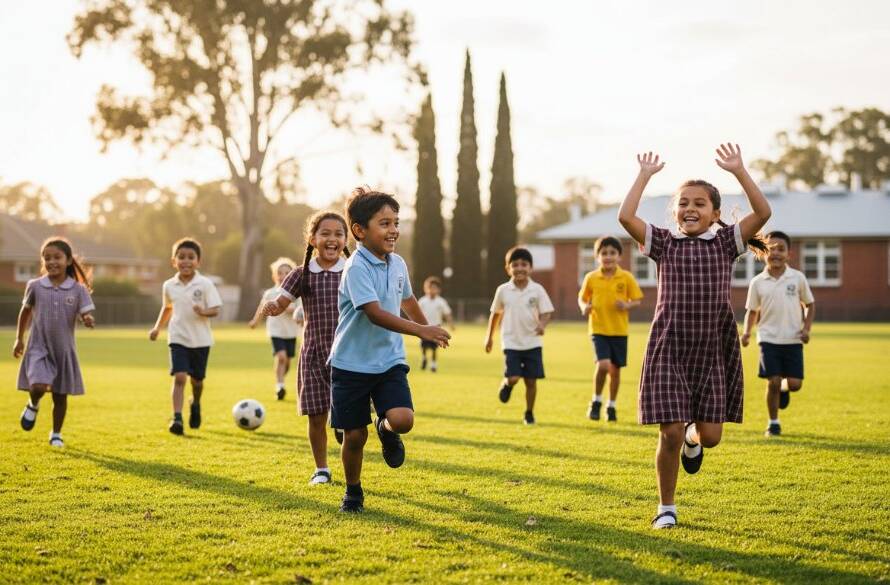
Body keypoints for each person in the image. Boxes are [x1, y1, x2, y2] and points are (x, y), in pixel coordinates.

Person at [618, 144, 771, 529]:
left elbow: (764, 213)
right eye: (684, 203)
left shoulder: (724, 244)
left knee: (712, 437)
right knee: (668, 432)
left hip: (712, 351)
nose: (691, 208)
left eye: (700, 203)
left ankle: (694, 440)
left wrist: (739, 170)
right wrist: (644, 176)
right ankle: (666, 508)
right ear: (675, 212)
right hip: (669, 349)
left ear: (715, 214)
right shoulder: (664, 244)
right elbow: (625, 216)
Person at [329, 186, 451, 512]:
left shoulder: (397, 263)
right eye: (384, 223)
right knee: (354, 437)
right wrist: (421, 330)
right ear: (359, 230)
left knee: (403, 419)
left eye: (396, 222)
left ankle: (384, 428)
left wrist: (428, 333)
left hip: (388, 361)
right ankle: (353, 492)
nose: (394, 230)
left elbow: (407, 299)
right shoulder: (355, 268)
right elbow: (376, 313)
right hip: (351, 364)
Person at [263, 212, 351, 485]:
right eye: (325, 233)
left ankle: (340, 423)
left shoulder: (352, 270)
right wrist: (274, 308)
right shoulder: (302, 274)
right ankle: (321, 469)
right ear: (312, 239)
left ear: (346, 239)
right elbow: (281, 301)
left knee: (348, 417)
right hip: (313, 353)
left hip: (348, 354)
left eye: (338, 233)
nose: (332, 239)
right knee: (315, 416)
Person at [15, 237, 95, 447]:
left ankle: (56, 433)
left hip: (64, 350)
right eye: (47, 258)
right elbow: (25, 312)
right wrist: (19, 339)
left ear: (68, 260)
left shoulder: (78, 290)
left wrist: (87, 319)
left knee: (60, 396)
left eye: (57, 257)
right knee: (38, 386)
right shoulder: (35, 286)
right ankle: (33, 404)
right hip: (38, 347)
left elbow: (85, 313)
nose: (52, 262)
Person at [741, 230, 815, 437]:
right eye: (771, 249)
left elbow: (809, 304)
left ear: (789, 254)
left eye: (781, 249)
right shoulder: (757, 282)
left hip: (793, 339)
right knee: (771, 380)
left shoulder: (797, 278)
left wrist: (806, 329)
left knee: (794, 384)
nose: (776, 253)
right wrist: (746, 333)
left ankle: (784, 387)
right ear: (763, 252)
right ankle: (773, 423)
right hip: (768, 339)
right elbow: (752, 311)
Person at [149, 238, 222, 436]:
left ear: (198, 261)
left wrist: (203, 311)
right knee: (180, 377)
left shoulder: (205, 284)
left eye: (191, 257)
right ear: (174, 261)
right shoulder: (169, 285)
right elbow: (167, 307)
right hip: (177, 338)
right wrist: (157, 328)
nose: (186, 261)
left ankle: (196, 403)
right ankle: (177, 418)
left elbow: (215, 310)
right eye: (181, 257)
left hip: (201, 341)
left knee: (197, 381)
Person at [484, 246, 555, 425]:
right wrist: (489, 337)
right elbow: (495, 314)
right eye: (515, 265)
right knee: (514, 377)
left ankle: (529, 412)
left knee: (531, 381)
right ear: (508, 268)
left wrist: (542, 324)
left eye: (524, 264)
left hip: (533, 341)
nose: (520, 268)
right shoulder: (503, 290)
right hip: (511, 342)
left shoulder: (537, 289)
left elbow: (547, 312)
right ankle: (507, 384)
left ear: (530, 268)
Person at [578, 236, 643, 422]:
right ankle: (596, 401)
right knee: (603, 365)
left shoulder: (626, 277)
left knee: (615, 371)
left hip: (619, 331)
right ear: (597, 256)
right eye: (604, 253)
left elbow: (637, 299)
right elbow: (582, 298)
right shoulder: (591, 278)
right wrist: (584, 307)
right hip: (598, 329)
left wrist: (627, 305)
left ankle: (611, 405)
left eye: (612, 253)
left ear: (619, 256)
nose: (608, 256)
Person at [249, 257, 303, 401]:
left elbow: (299, 310)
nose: (283, 275)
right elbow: (262, 308)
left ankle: (280, 378)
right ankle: (280, 386)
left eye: (287, 273)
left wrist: (288, 308)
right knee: (281, 357)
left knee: (286, 362)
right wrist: (255, 321)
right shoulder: (270, 294)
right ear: (274, 276)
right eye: (280, 273)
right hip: (275, 331)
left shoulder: (296, 294)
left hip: (291, 332)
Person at [417, 276, 454, 372]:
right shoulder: (422, 301)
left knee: (434, 347)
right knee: (423, 346)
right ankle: (424, 358)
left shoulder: (441, 301)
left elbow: (447, 313)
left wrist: (451, 324)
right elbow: (416, 313)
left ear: (438, 290)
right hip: (425, 327)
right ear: (426, 289)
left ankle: (433, 364)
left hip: (436, 327)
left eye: (435, 288)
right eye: (430, 288)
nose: (432, 290)